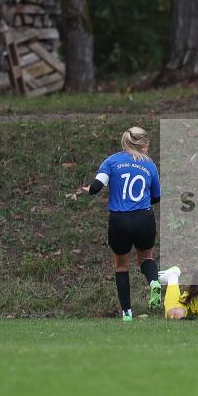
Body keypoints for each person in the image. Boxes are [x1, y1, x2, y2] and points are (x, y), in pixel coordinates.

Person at [81, 126, 161, 322]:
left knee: (121, 266)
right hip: (144, 218)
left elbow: (97, 186)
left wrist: (88, 189)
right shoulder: (149, 165)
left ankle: (127, 312)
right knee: (145, 258)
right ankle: (153, 282)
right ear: (142, 144)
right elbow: (156, 197)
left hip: (119, 221)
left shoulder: (112, 161)